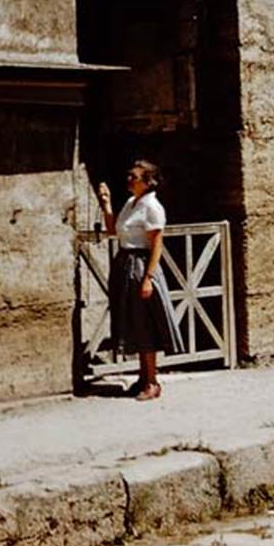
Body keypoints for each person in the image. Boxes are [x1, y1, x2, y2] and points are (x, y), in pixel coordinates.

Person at [97, 159, 184, 401]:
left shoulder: (151, 207)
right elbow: (115, 231)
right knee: (134, 321)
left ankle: (152, 381)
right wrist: (106, 204)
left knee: (146, 322)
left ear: (148, 182)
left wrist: (148, 278)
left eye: (134, 177)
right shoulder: (131, 203)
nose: (129, 180)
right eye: (129, 176)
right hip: (125, 262)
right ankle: (142, 377)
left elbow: (156, 245)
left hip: (141, 264)